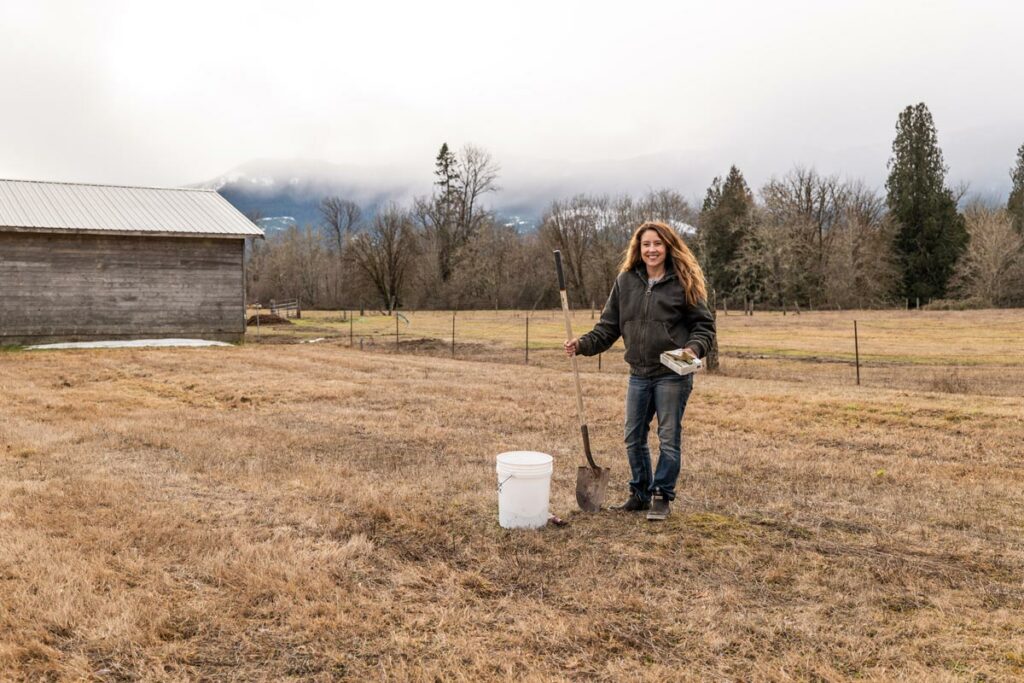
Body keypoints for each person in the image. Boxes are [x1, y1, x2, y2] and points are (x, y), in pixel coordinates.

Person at [564, 221, 715, 521]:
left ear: (668, 247)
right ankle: (640, 493)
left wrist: (693, 349)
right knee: (633, 436)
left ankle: (662, 495)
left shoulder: (683, 281)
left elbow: (704, 327)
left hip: (673, 372)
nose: (652, 249)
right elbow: (607, 328)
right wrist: (581, 344)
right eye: (646, 244)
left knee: (669, 435)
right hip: (639, 372)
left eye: (657, 244)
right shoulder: (625, 282)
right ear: (638, 248)